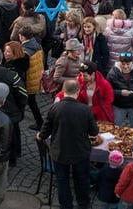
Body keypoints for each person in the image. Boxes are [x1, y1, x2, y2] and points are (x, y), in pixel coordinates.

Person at [38, 79, 100, 209]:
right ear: (78, 92)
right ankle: (83, 204)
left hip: (59, 151)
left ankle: (66, 205)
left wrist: (40, 136)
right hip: (80, 151)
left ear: (63, 91)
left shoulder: (54, 108)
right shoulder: (85, 110)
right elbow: (94, 131)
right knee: (82, 179)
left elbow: (45, 131)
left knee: (62, 180)